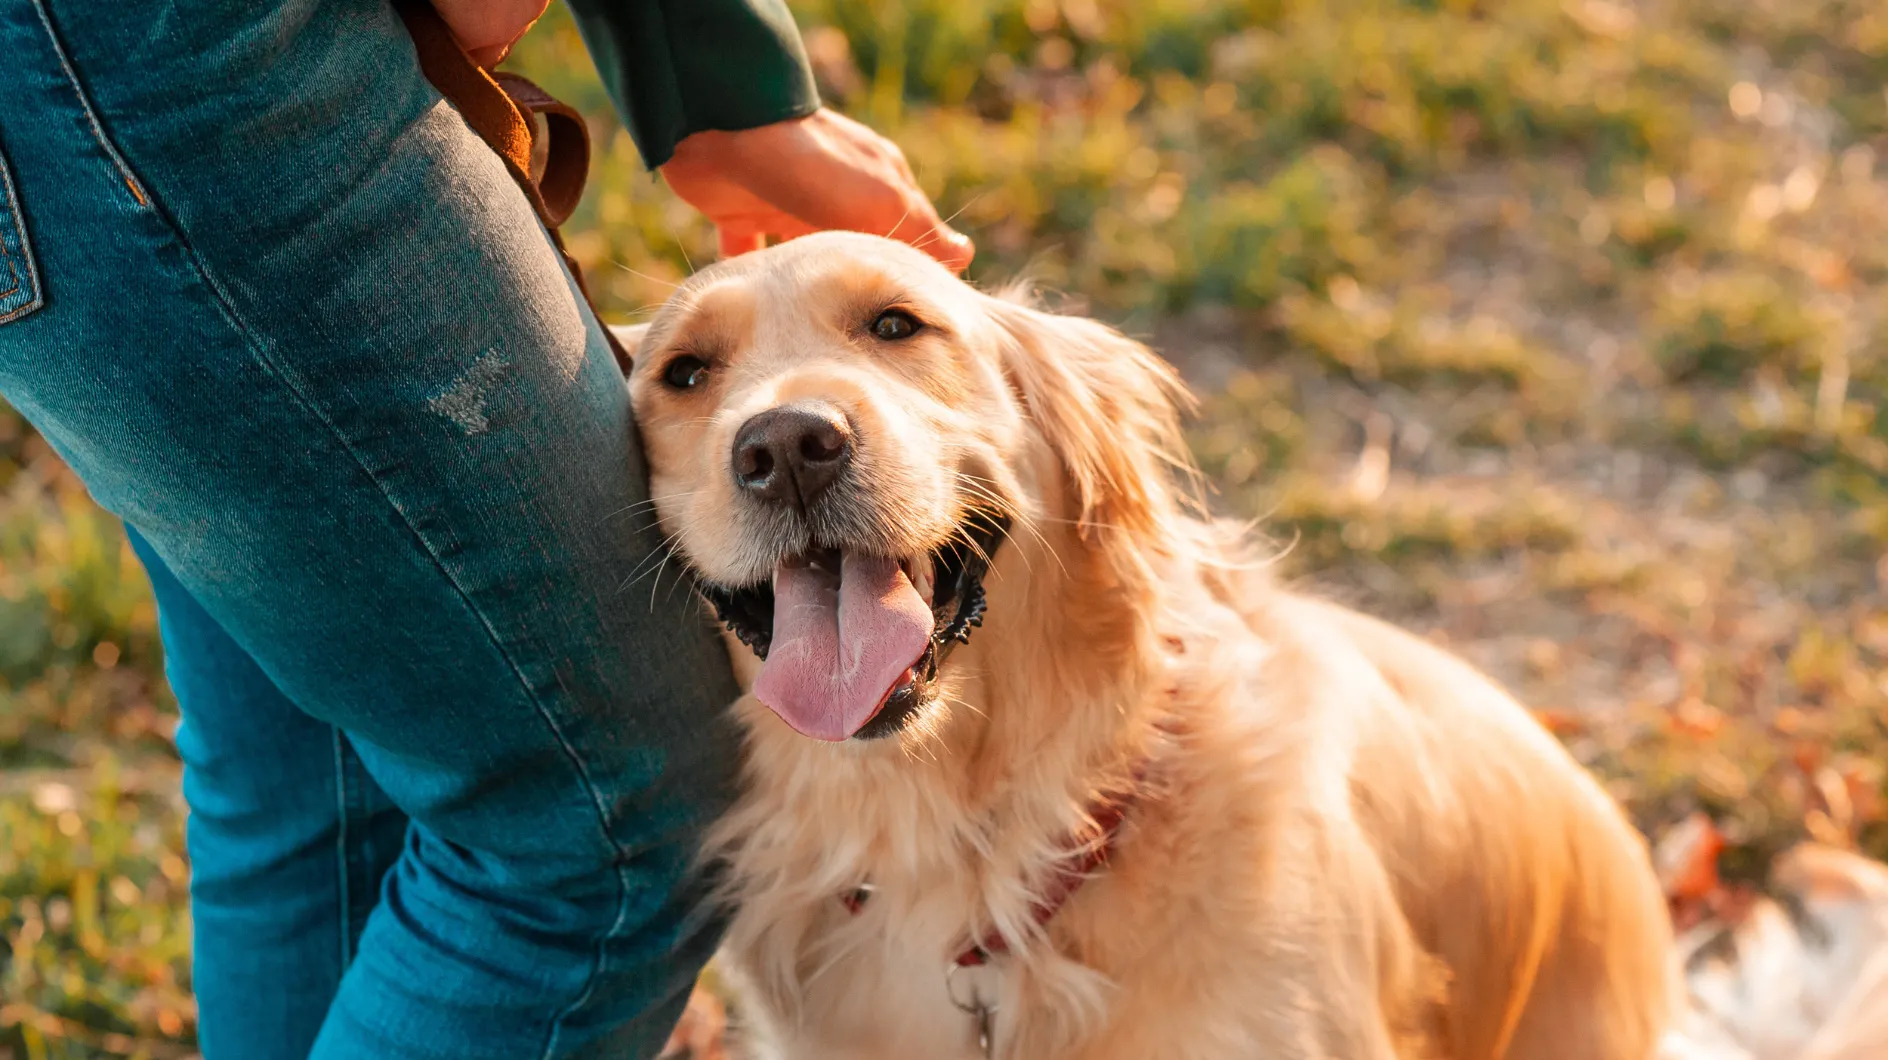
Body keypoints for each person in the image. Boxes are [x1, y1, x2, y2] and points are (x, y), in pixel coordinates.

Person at [0, 0, 969, 1057]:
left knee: (324, 760)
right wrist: (718, 73)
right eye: (689, 373)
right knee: (597, 822)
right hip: (152, 68)